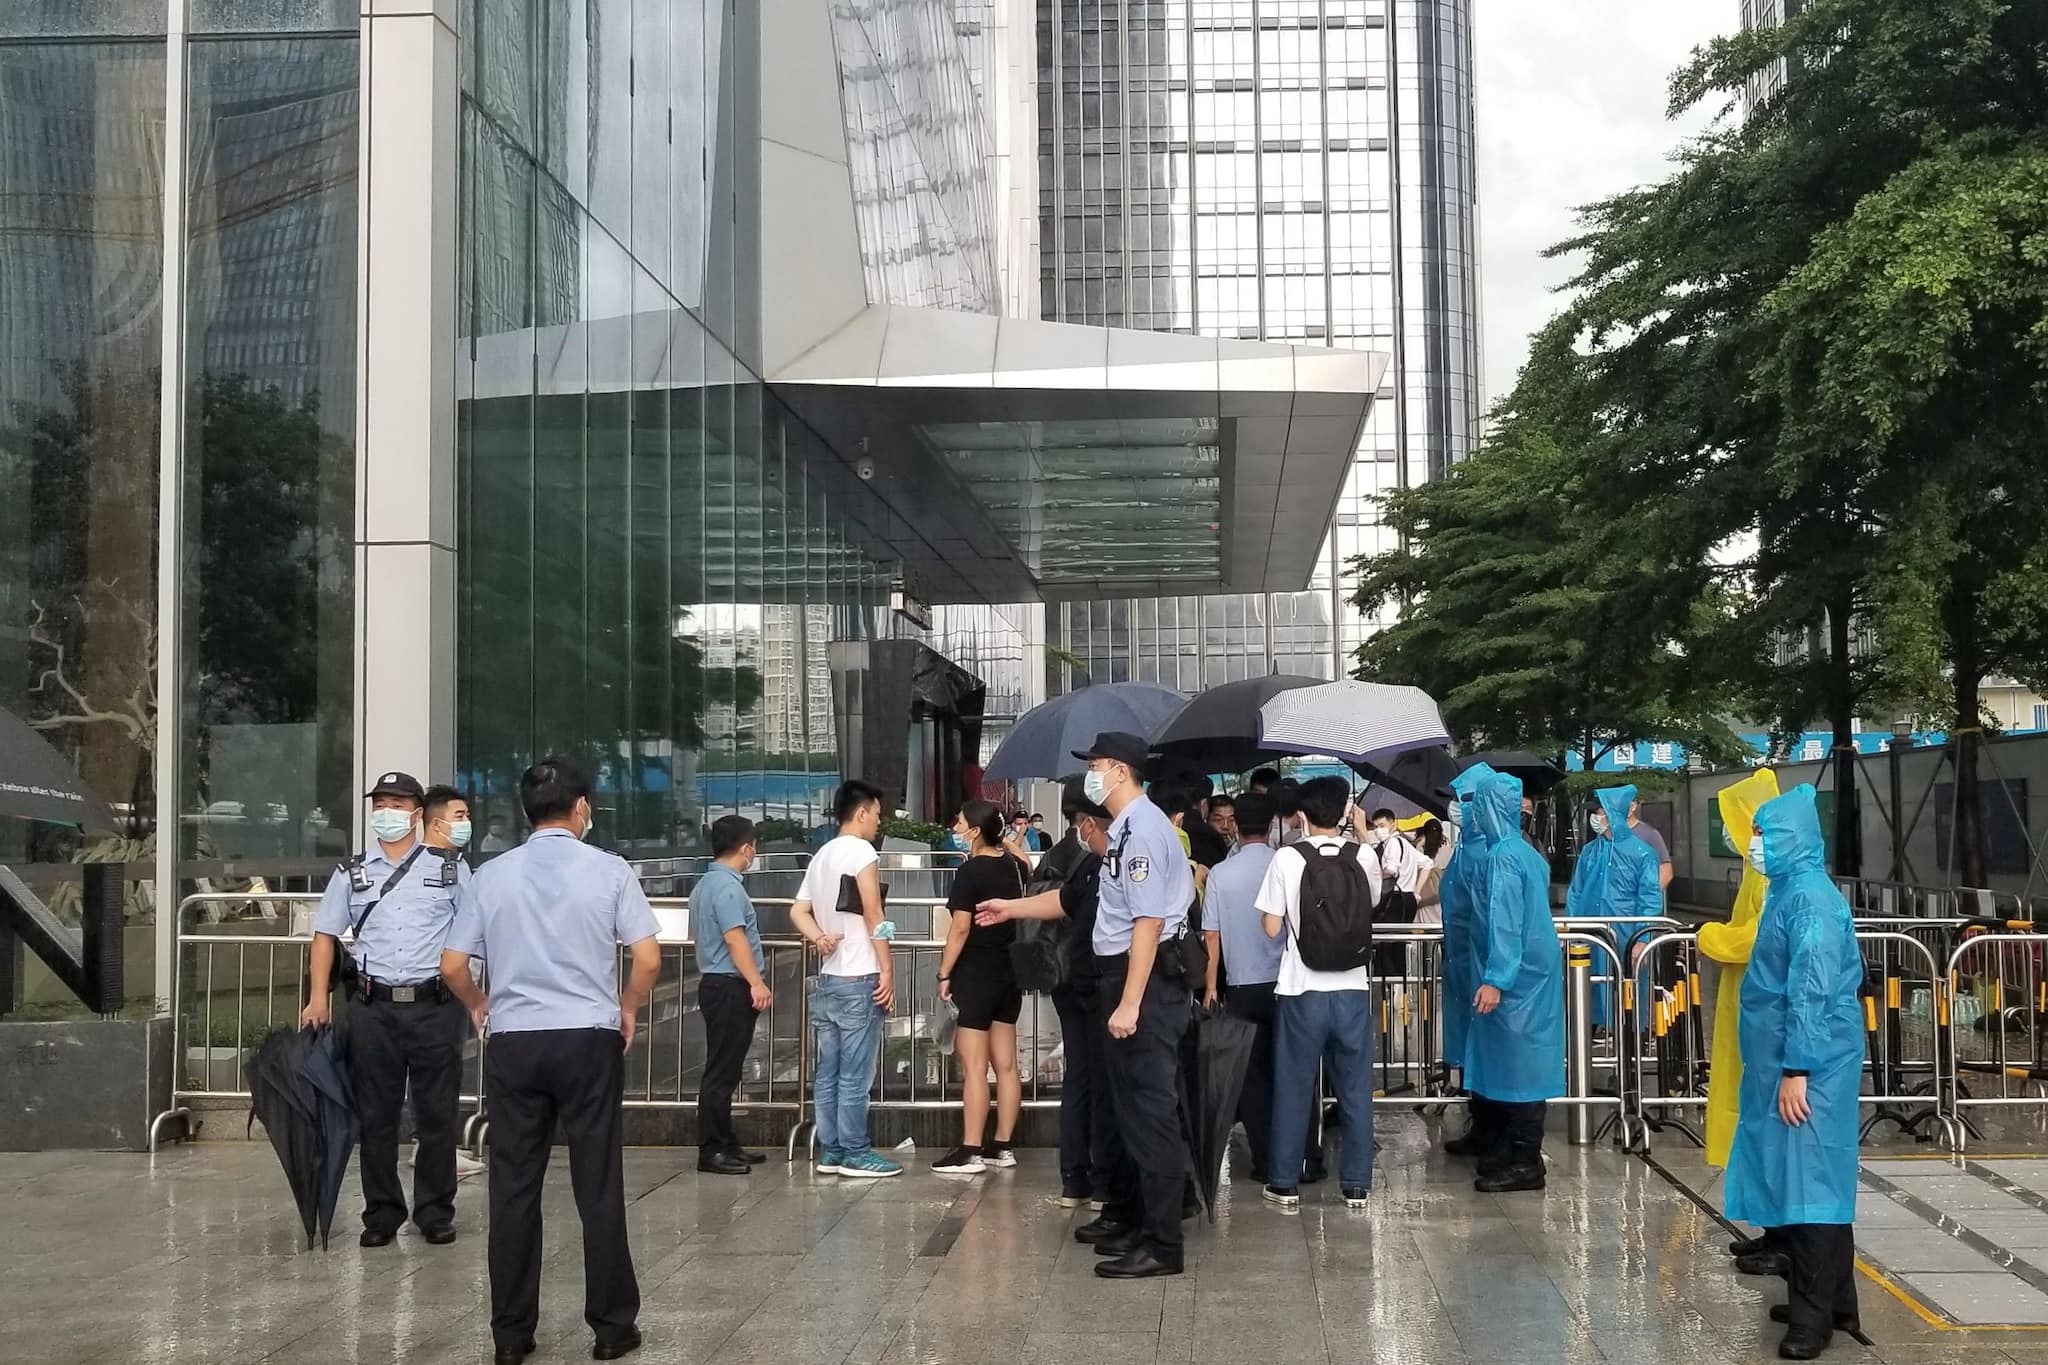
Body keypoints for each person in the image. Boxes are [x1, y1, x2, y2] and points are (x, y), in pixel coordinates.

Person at [439, 757, 660, 1364]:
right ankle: (613, 1327)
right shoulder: (610, 871)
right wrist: (629, 1008)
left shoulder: (490, 876)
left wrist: (482, 1007)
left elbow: (453, 966)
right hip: (588, 1038)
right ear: (581, 807)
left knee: (513, 1187)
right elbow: (646, 958)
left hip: (515, 1041)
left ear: (526, 812)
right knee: (598, 1184)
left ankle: (512, 1335)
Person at [994, 731, 1194, 1278]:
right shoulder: (1126, 830)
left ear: (1122, 771)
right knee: (1129, 1109)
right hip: (1121, 977)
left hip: (1143, 984)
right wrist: (1009, 908)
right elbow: (1079, 901)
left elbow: (1149, 921)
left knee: (1150, 1112)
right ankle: (1134, 1220)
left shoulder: (1146, 830)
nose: (1093, 774)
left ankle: (1162, 1241)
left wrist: (1130, 1002)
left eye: (1098, 764)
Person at [301, 770, 469, 1249]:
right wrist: (317, 999)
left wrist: (477, 996)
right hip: (374, 1008)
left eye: (397, 805)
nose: (387, 813)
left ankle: (435, 1211)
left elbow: (473, 933)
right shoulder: (351, 873)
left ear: (418, 815)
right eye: (380, 804)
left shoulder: (450, 870)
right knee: (376, 1116)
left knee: (436, 1115)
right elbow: (325, 937)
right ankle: (381, 1213)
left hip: (435, 1005)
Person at [1723, 784, 1862, 1361]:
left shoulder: (1808, 900)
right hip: (1794, 1059)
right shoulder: (1790, 890)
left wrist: (1798, 1068)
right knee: (1811, 1180)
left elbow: (1810, 989)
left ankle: (1812, 1320)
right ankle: (1834, 1302)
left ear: (1792, 839)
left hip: (1812, 1064)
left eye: (1763, 834)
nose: (1754, 845)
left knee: (1812, 1191)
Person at [975, 779, 1116, 1208]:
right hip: (1095, 978)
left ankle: (1074, 1178)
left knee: (1078, 1073)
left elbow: (1054, 902)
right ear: (1090, 818)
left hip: (1061, 976)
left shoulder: (1057, 853)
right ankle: (1101, 1179)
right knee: (1102, 1077)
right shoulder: (1101, 856)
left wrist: (1008, 908)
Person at [1255, 777, 1380, 1210]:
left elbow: (1271, 927)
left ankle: (1285, 1182)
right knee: (1355, 1088)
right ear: (1344, 814)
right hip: (1352, 989)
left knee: (1293, 1086)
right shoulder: (1364, 856)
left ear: (1302, 816)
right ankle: (1357, 1185)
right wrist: (1362, 832)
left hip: (1300, 988)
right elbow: (1374, 903)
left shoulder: (1287, 857)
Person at [790, 780, 900, 1178]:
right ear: (861, 812)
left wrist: (820, 937)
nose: (878, 822)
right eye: (876, 813)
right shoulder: (861, 851)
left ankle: (832, 1151)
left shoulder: (821, 855)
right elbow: (875, 913)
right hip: (859, 975)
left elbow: (798, 911)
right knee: (856, 1074)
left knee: (829, 1071)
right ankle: (856, 1152)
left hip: (830, 979)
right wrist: (886, 967)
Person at [1462, 771, 1565, 1193]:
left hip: (1516, 979)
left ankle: (1525, 1161)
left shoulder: (1504, 856)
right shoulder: (1524, 853)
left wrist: (1496, 978)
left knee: (1520, 1067)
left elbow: (1505, 922)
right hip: (1531, 975)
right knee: (1517, 1063)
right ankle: (1512, 1150)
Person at [1202, 791, 1301, 1186]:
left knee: (1253, 1078)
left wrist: (1211, 986)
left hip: (1242, 985)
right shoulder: (1287, 865)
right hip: (1289, 983)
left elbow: (1212, 936)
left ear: (1236, 826)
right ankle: (1299, 1158)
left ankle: (1264, 1159)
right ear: (1273, 823)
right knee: (1292, 1070)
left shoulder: (1222, 874)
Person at [932, 800, 1030, 1174]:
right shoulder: (1015, 866)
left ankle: (970, 1149)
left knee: (974, 1067)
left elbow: (960, 928)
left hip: (975, 973)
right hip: (1010, 972)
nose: (955, 829)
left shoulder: (970, 872)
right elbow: (1023, 861)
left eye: (959, 823)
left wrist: (944, 973)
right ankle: (1002, 1146)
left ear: (974, 832)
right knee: (1006, 1065)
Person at [1697, 769, 1780, 1197]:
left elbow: (1755, 936)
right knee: (1751, 1108)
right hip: (1750, 1002)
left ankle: (1781, 1233)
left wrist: (1709, 935)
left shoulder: (1771, 878)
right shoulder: (1755, 872)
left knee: (1766, 1112)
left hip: (1766, 1008)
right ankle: (1767, 1223)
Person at [691, 814, 773, 1176]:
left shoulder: (706, 884)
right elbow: (734, 937)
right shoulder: (726, 888)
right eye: (753, 846)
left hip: (720, 983)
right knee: (721, 1072)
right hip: (728, 985)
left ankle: (726, 1143)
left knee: (726, 1068)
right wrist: (756, 981)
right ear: (745, 848)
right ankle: (712, 1148)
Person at [1437, 762, 1496, 1152]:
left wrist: (1496, 975)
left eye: (1464, 801)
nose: (1456, 808)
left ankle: (1497, 1136)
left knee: (1490, 1051)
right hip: (1462, 962)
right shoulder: (1465, 848)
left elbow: (1500, 922)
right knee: (1473, 1051)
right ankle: (1481, 1129)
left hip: (1482, 967)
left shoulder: (1491, 853)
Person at [1629, 798, 1676, 890]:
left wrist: (1649, 897)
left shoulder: (1649, 834)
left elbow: (1665, 870)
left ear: (1633, 806)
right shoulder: (1607, 834)